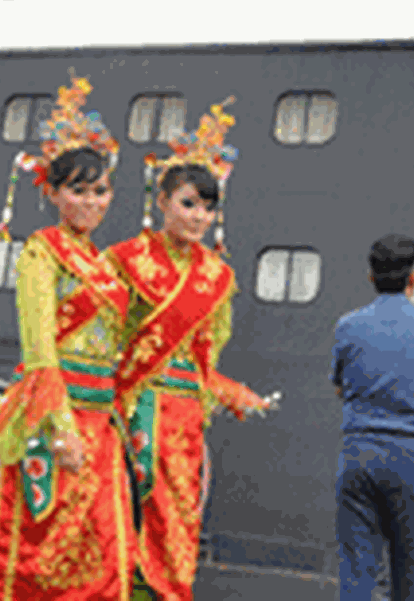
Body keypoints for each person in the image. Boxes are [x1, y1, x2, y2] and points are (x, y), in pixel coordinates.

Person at [0, 70, 135, 601]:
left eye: (101, 191)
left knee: (104, 559)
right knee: (38, 558)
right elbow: (40, 347)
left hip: (100, 423)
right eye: (79, 191)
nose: (92, 202)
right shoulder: (42, 252)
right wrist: (60, 426)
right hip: (54, 418)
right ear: (54, 192)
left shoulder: (104, 264)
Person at [107, 99, 270, 601]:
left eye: (207, 207)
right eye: (188, 203)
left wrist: (233, 393)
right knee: (123, 517)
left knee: (177, 526)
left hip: (185, 421)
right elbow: (104, 343)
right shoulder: (125, 260)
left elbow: (204, 364)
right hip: (131, 407)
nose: (199, 216)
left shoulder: (217, 277)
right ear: (161, 200)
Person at [331, 235, 414, 601]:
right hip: (411, 459)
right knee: (413, 572)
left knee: (357, 571)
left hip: (359, 455)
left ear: (370, 276)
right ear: (413, 278)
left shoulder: (348, 326)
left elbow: (340, 387)